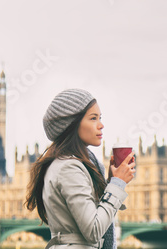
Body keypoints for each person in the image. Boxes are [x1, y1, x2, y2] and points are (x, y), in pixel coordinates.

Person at [25, 89, 136, 249]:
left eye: (100, 118)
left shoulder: (76, 164)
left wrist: (110, 182)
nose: (101, 125)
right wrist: (117, 185)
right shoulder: (68, 168)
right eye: (93, 118)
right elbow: (93, 230)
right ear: (72, 124)